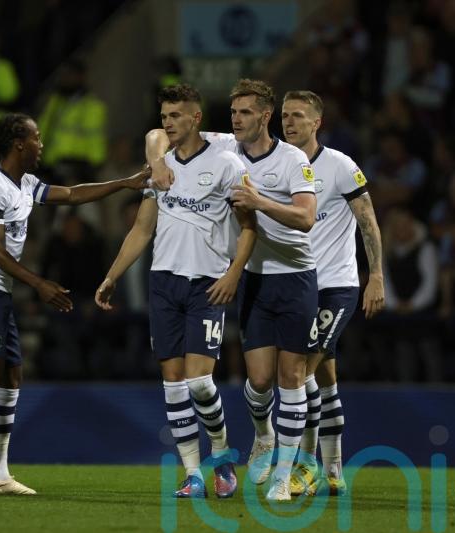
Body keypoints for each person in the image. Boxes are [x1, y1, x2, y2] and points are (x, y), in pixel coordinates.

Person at [0, 113, 150, 495]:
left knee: (11, 378)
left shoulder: (26, 184)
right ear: (19, 143)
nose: (41, 145)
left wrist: (124, 184)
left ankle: (0, 474)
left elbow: (71, 194)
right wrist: (39, 283)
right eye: (36, 138)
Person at [149, 78, 317, 501]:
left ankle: (283, 475)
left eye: (245, 113)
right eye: (234, 112)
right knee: (259, 382)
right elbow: (158, 133)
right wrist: (155, 161)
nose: (236, 120)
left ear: (264, 116)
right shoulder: (224, 147)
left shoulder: (293, 159)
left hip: (295, 275)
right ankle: (264, 432)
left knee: (291, 376)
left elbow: (305, 218)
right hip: (254, 279)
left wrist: (261, 203)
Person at [98, 85, 257, 499]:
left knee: (200, 383)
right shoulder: (161, 166)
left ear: (196, 118)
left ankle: (222, 457)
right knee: (172, 382)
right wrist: (112, 275)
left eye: (176, 116)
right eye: (164, 115)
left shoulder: (226, 163)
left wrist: (234, 274)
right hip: (164, 281)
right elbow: (142, 228)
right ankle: (192, 474)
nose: (168, 123)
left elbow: (249, 227)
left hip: (207, 283)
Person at [279, 91, 385, 497]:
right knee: (325, 379)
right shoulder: (279, 166)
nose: (289, 123)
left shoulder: (339, 165)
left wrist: (375, 275)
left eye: (299, 116)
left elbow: (369, 222)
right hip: (296, 285)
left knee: (299, 372)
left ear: (316, 122)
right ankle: (335, 467)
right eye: (285, 115)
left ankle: (304, 467)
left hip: (337, 285)